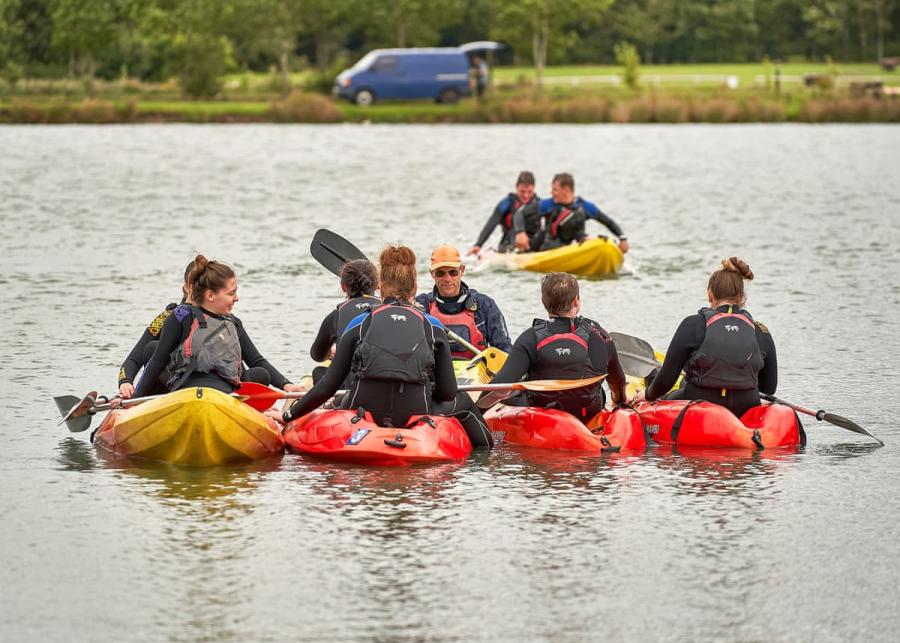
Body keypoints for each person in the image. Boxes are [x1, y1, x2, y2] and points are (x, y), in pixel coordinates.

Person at [283, 245, 493, 449]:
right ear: (415, 288)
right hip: (415, 407)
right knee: (463, 402)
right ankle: (487, 456)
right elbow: (447, 392)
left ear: (380, 288)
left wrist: (289, 415)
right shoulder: (432, 326)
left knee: (341, 397)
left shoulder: (360, 323)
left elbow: (327, 386)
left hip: (362, 404)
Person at [132, 255, 302, 398]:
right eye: (231, 293)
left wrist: (287, 386)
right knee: (152, 349)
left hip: (226, 398)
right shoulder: (180, 315)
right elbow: (156, 362)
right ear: (210, 295)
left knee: (261, 375)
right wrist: (133, 402)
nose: (237, 298)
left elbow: (256, 361)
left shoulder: (233, 323)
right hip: (186, 394)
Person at [635, 257, 777, 418]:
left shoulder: (693, 324)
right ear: (742, 297)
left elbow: (666, 381)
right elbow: (769, 388)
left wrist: (647, 396)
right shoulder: (761, 331)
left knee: (668, 393)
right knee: (683, 383)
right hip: (745, 407)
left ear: (710, 294)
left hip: (699, 404)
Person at [488, 272, 626, 420]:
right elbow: (618, 383)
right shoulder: (600, 335)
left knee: (514, 392)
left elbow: (500, 385)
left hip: (542, 413)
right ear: (576, 301)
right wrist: (620, 403)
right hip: (587, 412)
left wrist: (477, 408)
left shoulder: (530, 337)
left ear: (543, 302)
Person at [415, 244, 512, 360]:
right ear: (432, 274)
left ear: (462, 271)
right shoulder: (421, 306)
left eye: (453, 272)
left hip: (477, 373)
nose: (447, 279)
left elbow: (504, 348)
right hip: (436, 374)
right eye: (440, 273)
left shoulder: (485, 305)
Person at [117, 259, 195, 399]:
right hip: (166, 394)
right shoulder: (167, 317)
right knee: (152, 347)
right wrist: (125, 382)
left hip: (207, 390)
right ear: (186, 287)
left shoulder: (224, 321)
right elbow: (133, 360)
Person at [515, 173, 629, 254]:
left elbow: (608, 222)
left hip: (571, 249)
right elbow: (519, 214)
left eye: (555, 189)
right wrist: (520, 233)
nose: (552, 193)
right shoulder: (548, 204)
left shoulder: (584, 206)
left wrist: (622, 239)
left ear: (566, 190)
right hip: (545, 248)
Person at [310, 259, 381, 363]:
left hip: (350, 377)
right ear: (377, 285)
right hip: (387, 373)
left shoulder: (336, 316)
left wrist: (333, 352)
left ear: (343, 287)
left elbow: (317, 356)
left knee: (318, 372)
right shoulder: (389, 310)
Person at [469, 171, 540, 255]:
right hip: (508, 247)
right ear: (516, 187)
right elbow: (492, 223)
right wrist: (478, 244)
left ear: (534, 189)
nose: (526, 196)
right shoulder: (506, 203)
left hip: (532, 246)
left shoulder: (539, 204)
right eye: (522, 191)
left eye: (529, 192)